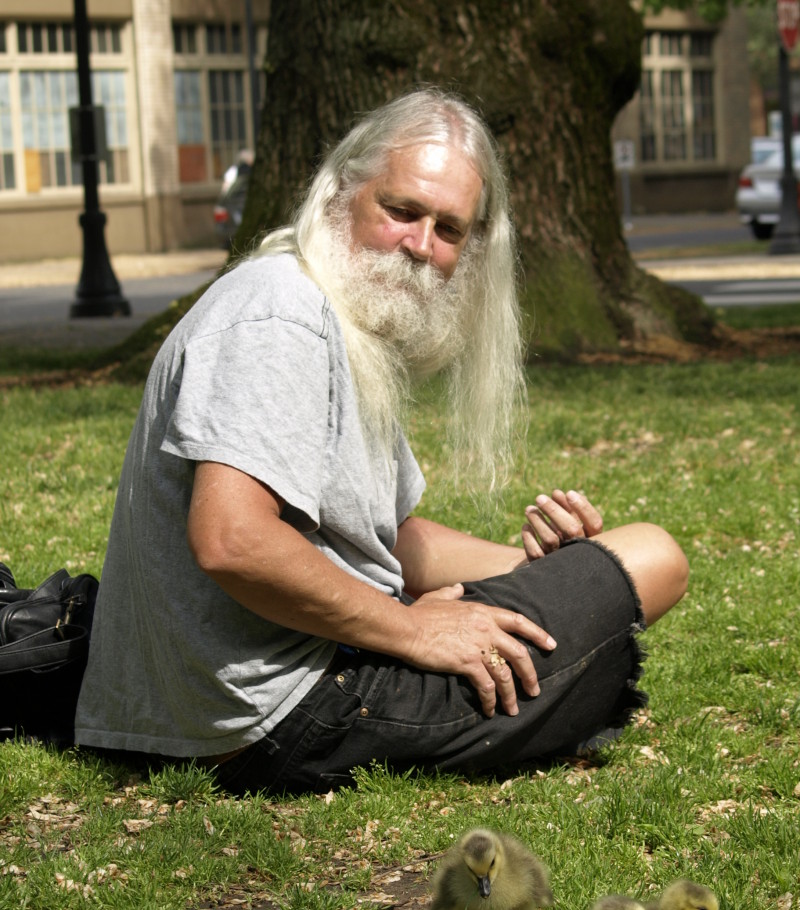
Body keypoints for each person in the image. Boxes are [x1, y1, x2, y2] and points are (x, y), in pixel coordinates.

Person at [75, 89, 688, 793]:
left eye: (449, 229)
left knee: (613, 561)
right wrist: (414, 631)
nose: (421, 246)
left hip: (276, 688)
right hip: (268, 716)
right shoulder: (282, 314)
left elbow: (385, 535)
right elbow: (232, 541)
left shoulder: (334, 314)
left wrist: (539, 564)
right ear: (341, 196)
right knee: (653, 558)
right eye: (401, 211)